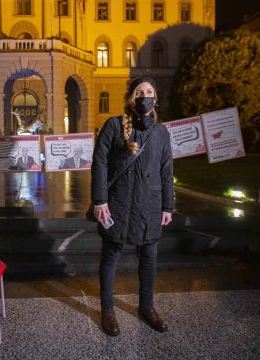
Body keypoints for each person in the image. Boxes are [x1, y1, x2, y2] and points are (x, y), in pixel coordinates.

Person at [91, 76, 173, 336]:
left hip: (149, 203)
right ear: (131, 97)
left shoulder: (161, 133)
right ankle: (108, 309)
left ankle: (147, 306)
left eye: (149, 91)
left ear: (155, 99)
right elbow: (100, 163)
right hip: (117, 202)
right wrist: (100, 200)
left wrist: (167, 206)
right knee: (111, 255)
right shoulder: (114, 126)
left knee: (149, 257)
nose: (145, 95)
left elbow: (166, 170)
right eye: (140, 91)